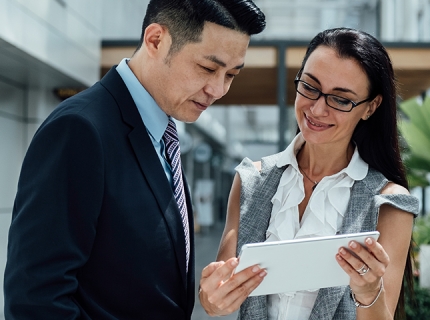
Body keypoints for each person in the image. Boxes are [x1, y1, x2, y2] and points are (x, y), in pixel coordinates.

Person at [3, 0, 265, 319]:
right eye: (208, 68)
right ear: (156, 40)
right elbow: (36, 298)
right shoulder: (80, 129)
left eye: (231, 75)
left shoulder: (163, 131)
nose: (218, 89)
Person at [199, 27, 419, 319]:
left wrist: (368, 293)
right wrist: (211, 298)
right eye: (310, 87)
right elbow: (217, 296)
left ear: (370, 107)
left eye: (341, 100)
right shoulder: (251, 180)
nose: (316, 109)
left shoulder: (389, 202)